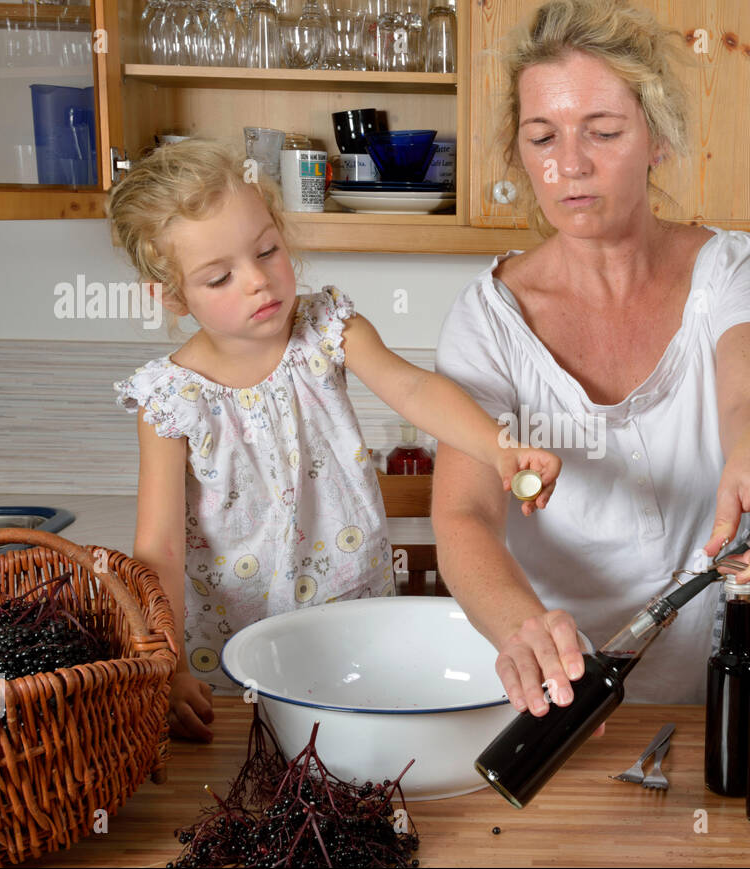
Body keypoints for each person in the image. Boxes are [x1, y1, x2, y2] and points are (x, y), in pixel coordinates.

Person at [432, 0, 750, 719]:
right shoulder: (486, 319)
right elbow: (464, 516)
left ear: (657, 139)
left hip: (724, 682)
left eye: (602, 131)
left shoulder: (732, 268)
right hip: (556, 699)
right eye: (542, 137)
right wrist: (526, 627)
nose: (570, 164)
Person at [107, 138, 560, 741]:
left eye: (267, 250)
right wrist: (162, 663)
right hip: (229, 647)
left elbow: (415, 389)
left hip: (352, 616)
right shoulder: (170, 398)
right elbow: (158, 549)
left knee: (355, 748)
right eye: (219, 277)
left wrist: (497, 447)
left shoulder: (327, 327)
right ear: (171, 295)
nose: (257, 283)